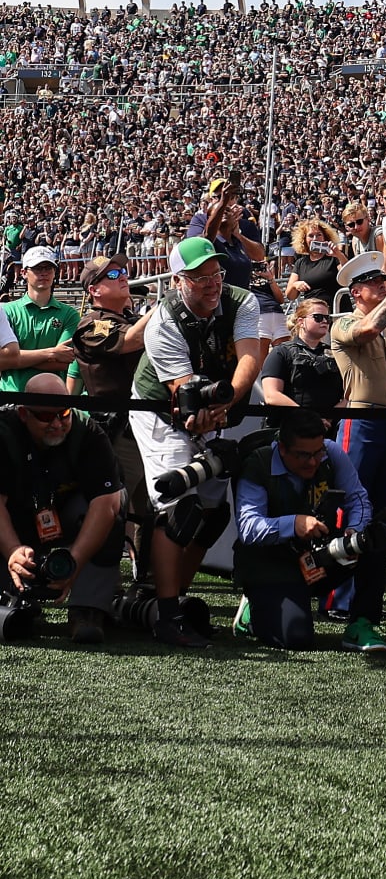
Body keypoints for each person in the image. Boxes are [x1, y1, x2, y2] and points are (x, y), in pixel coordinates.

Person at [128, 237, 266, 648]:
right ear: (177, 280)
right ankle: (166, 615)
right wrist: (205, 411)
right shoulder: (162, 321)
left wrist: (226, 402)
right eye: (200, 276)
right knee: (179, 506)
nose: (212, 283)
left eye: (217, 273)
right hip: (160, 411)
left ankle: (175, 599)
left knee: (211, 512)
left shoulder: (241, 300)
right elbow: (181, 391)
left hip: (215, 409)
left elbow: (248, 359)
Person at [231, 411, 386, 651]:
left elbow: (358, 499)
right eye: (304, 455)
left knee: (376, 537)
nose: (313, 462)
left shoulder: (331, 452)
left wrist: (353, 532)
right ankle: (252, 612)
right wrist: (293, 524)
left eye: (318, 453)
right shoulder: (258, 464)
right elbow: (248, 528)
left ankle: (362, 623)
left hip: (317, 557)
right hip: (271, 567)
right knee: (296, 639)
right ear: (282, 448)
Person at [0, 374, 125, 645]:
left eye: (64, 413)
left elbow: (106, 504)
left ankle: (87, 609)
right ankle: (14, 596)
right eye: (46, 417)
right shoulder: (3, 432)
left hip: (67, 520)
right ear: (24, 414)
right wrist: (12, 550)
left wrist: (74, 563)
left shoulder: (88, 431)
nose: (57, 424)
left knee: (113, 507)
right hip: (14, 521)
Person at [69, 253, 151, 586]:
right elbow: (131, 341)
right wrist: (167, 307)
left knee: (152, 513)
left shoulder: (131, 316)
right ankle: (97, 595)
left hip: (149, 429)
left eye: (123, 271)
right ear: (94, 290)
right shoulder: (92, 323)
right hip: (119, 432)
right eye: (111, 274)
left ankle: (147, 587)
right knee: (112, 514)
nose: (122, 276)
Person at [330, 251, 386, 534]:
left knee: (381, 509)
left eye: (384, 280)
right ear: (355, 292)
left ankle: (373, 576)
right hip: (359, 421)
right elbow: (369, 327)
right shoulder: (344, 324)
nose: (382, 284)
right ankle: (343, 574)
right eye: (373, 281)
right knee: (352, 501)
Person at [2, 246, 78, 392]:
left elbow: (62, 362)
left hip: (51, 399)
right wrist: (51, 353)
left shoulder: (70, 314)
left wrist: (16, 359)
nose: (44, 273)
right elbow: (3, 360)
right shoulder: (5, 311)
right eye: (37, 268)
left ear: (55, 272)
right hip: (10, 398)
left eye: (48, 268)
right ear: (24, 273)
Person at [260, 298, 344, 427]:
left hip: (329, 429)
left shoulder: (335, 354)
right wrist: (309, 418)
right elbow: (272, 395)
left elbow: (349, 396)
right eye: (318, 317)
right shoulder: (281, 352)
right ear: (301, 321)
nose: (324, 322)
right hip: (290, 428)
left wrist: (328, 418)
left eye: (327, 318)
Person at [284, 219, 346, 303]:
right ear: (304, 240)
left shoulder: (335, 257)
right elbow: (290, 296)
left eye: (319, 235)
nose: (315, 239)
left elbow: (347, 277)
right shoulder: (300, 263)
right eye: (310, 236)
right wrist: (295, 285)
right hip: (312, 311)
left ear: (325, 237)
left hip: (336, 309)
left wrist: (338, 254)